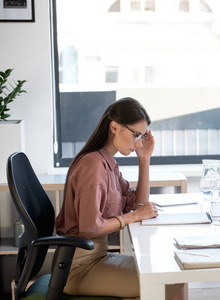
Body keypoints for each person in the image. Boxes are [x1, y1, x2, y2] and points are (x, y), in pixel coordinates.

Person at [55, 97, 184, 300]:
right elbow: (90, 227)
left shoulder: (108, 163)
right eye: (136, 135)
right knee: (169, 283)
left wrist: (144, 159)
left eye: (142, 136)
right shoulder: (93, 165)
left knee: (171, 272)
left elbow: (137, 204)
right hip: (81, 269)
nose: (139, 142)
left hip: (99, 258)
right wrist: (132, 217)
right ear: (115, 127)